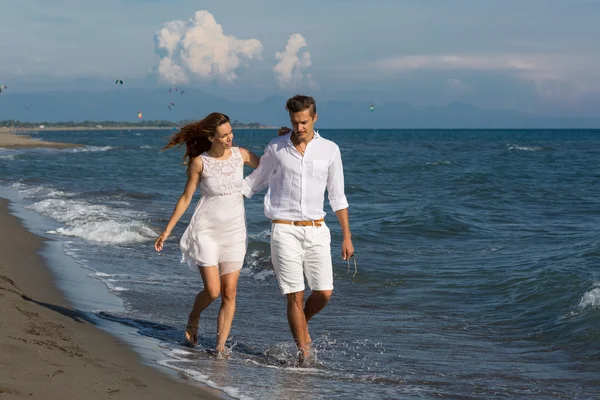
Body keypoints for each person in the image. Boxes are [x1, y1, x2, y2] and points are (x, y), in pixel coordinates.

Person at [242, 95, 354, 362]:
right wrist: (219, 192)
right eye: (294, 122)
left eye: (304, 122)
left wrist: (347, 236)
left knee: (324, 292)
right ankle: (305, 354)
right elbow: (253, 183)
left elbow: (337, 196)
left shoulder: (330, 150)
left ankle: (300, 323)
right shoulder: (276, 147)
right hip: (284, 230)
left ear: (315, 118)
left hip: (317, 230)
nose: (299, 127)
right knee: (294, 295)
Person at [154, 112, 260, 354]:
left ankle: (220, 348)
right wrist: (167, 231)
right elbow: (186, 197)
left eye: (231, 133)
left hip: (234, 231)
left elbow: (271, 167)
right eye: (223, 136)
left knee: (230, 292)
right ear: (211, 137)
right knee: (213, 291)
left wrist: (283, 141)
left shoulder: (241, 155)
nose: (229, 138)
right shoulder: (199, 162)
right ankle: (194, 314)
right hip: (206, 231)